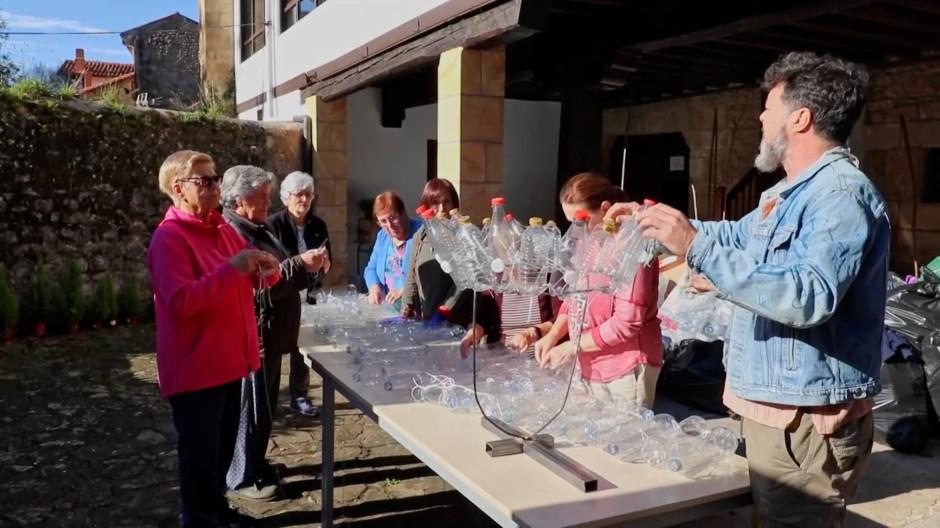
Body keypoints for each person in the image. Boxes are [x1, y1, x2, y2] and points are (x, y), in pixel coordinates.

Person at [607, 51, 888, 527]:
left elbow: (808, 295)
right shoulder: (784, 194)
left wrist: (694, 247)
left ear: (800, 117)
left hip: (805, 423)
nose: (760, 116)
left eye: (769, 106)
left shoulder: (841, 195)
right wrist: (656, 223)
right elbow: (732, 237)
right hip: (775, 413)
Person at [147, 150, 280, 527]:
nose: (214, 186)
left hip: (229, 362)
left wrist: (264, 272)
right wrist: (234, 269)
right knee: (199, 457)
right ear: (179, 189)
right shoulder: (168, 238)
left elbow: (245, 270)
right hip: (196, 370)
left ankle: (216, 510)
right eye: (204, 181)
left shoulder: (220, 227)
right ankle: (200, 520)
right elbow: (180, 303)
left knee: (219, 454)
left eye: (215, 178)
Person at [220, 166, 329, 502]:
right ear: (239, 199)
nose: (269, 201)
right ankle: (241, 477)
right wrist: (300, 265)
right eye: (262, 195)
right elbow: (254, 288)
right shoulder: (233, 234)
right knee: (250, 409)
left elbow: (274, 275)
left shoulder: (255, 227)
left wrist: (304, 267)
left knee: (263, 409)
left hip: (269, 335)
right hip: (254, 336)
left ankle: (254, 464)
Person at [534, 173, 663, 409]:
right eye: (572, 222)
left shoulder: (632, 245)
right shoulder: (589, 238)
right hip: (588, 361)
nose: (576, 229)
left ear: (605, 208)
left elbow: (627, 323)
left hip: (624, 366)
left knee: (622, 440)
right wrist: (552, 335)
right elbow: (576, 297)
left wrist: (572, 347)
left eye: (581, 220)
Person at [266, 171, 331, 417]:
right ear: (286, 198)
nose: (304, 199)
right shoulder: (273, 225)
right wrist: (302, 262)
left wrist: (325, 262)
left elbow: (328, 260)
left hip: (311, 294)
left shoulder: (318, 225)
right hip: (284, 294)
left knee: (301, 346)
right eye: (299, 194)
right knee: (277, 347)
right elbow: (276, 263)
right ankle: (270, 402)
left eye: (309, 194)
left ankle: (299, 395)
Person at [401, 178, 473, 323]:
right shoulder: (420, 236)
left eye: (446, 202)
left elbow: (466, 279)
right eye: (435, 203)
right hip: (427, 319)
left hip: (457, 320)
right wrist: (405, 311)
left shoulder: (462, 234)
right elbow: (412, 276)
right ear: (426, 206)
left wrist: (445, 311)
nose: (441, 209)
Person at [363, 191, 421, 312]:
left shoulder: (421, 233)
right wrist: (374, 287)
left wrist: (405, 290)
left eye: (393, 218)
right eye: (383, 221)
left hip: (417, 312)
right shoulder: (383, 236)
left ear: (403, 212)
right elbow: (371, 268)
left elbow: (432, 276)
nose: (390, 226)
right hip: (390, 313)